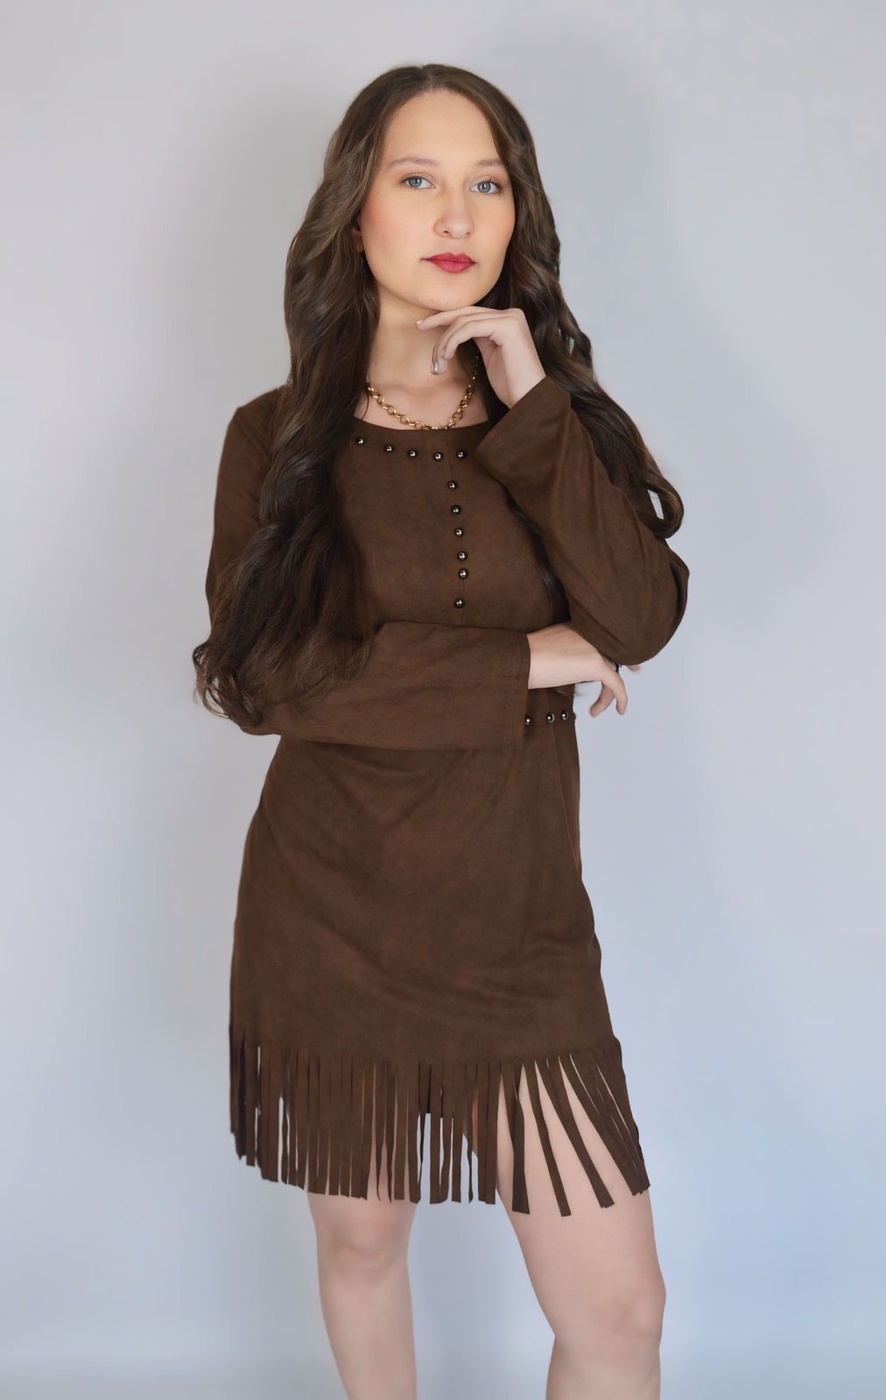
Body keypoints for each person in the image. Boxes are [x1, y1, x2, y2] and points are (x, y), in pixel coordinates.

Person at [193, 62, 689, 1400]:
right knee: (363, 1245)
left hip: (519, 932)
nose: (456, 213)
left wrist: (532, 404)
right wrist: (530, 656)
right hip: (334, 917)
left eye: (487, 182)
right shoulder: (273, 438)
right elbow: (272, 678)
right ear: (354, 209)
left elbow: (638, 615)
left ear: (519, 214)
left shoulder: (553, 423)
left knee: (621, 1311)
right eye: (417, 178)